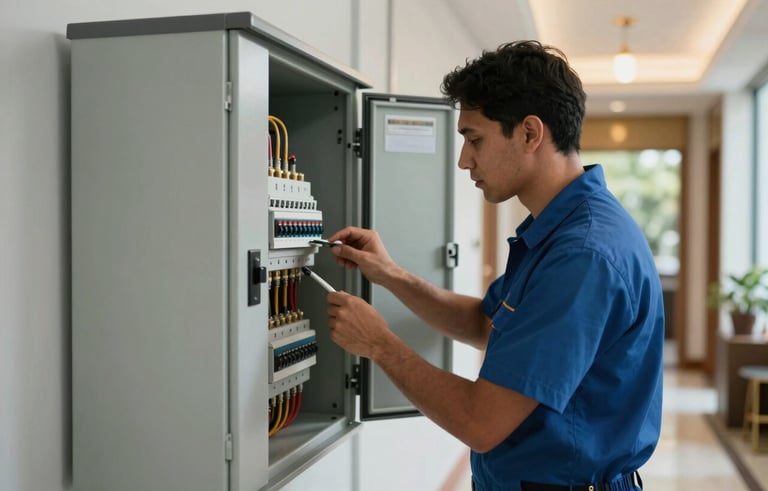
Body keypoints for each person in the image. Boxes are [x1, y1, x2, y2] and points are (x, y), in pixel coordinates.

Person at [325, 40, 663, 491]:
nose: (464, 160)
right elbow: (486, 323)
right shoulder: (560, 230)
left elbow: (480, 422)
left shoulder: (581, 255)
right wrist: (390, 274)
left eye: (474, 139)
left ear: (529, 133)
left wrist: (380, 345)